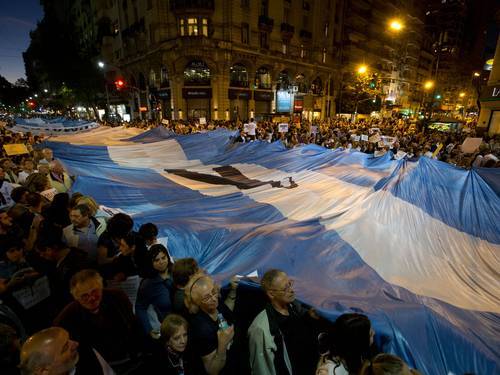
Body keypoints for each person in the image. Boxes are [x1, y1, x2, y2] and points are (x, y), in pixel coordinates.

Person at [54, 269, 145, 373]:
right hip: (98, 368)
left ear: (101, 287)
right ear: (75, 297)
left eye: (94, 291)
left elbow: (134, 325)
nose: (92, 298)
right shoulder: (66, 317)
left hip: (132, 357)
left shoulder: (118, 297)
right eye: (84, 296)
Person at [248, 269, 319, 375]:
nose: (291, 290)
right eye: (285, 288)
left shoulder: (294, 306)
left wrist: (309, 317)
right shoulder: (261, 328)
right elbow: (261, 369)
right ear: (271, 294)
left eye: (290, 284)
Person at [186, 274, 237, 375]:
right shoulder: (201, 329)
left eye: (214, 292)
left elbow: (225, 310)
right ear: (197, 302)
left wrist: (233, 291)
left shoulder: (215, 304)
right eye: (206, 298)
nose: (213, 298)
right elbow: (212, 370)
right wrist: (223, 343)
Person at [19, 326, 114, 375]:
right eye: (65, 348)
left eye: (69, 339)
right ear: (44, 371)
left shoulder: (86, 353)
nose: (76, 344)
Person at [135, 244, 174, 339]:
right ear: (151, 263)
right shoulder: (148, 284)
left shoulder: (177, 272)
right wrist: (149, 329)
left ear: (168, 257)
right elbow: (140, 307)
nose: (161, 262)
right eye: (156, 260)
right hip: (168, 329)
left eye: (163, 258)